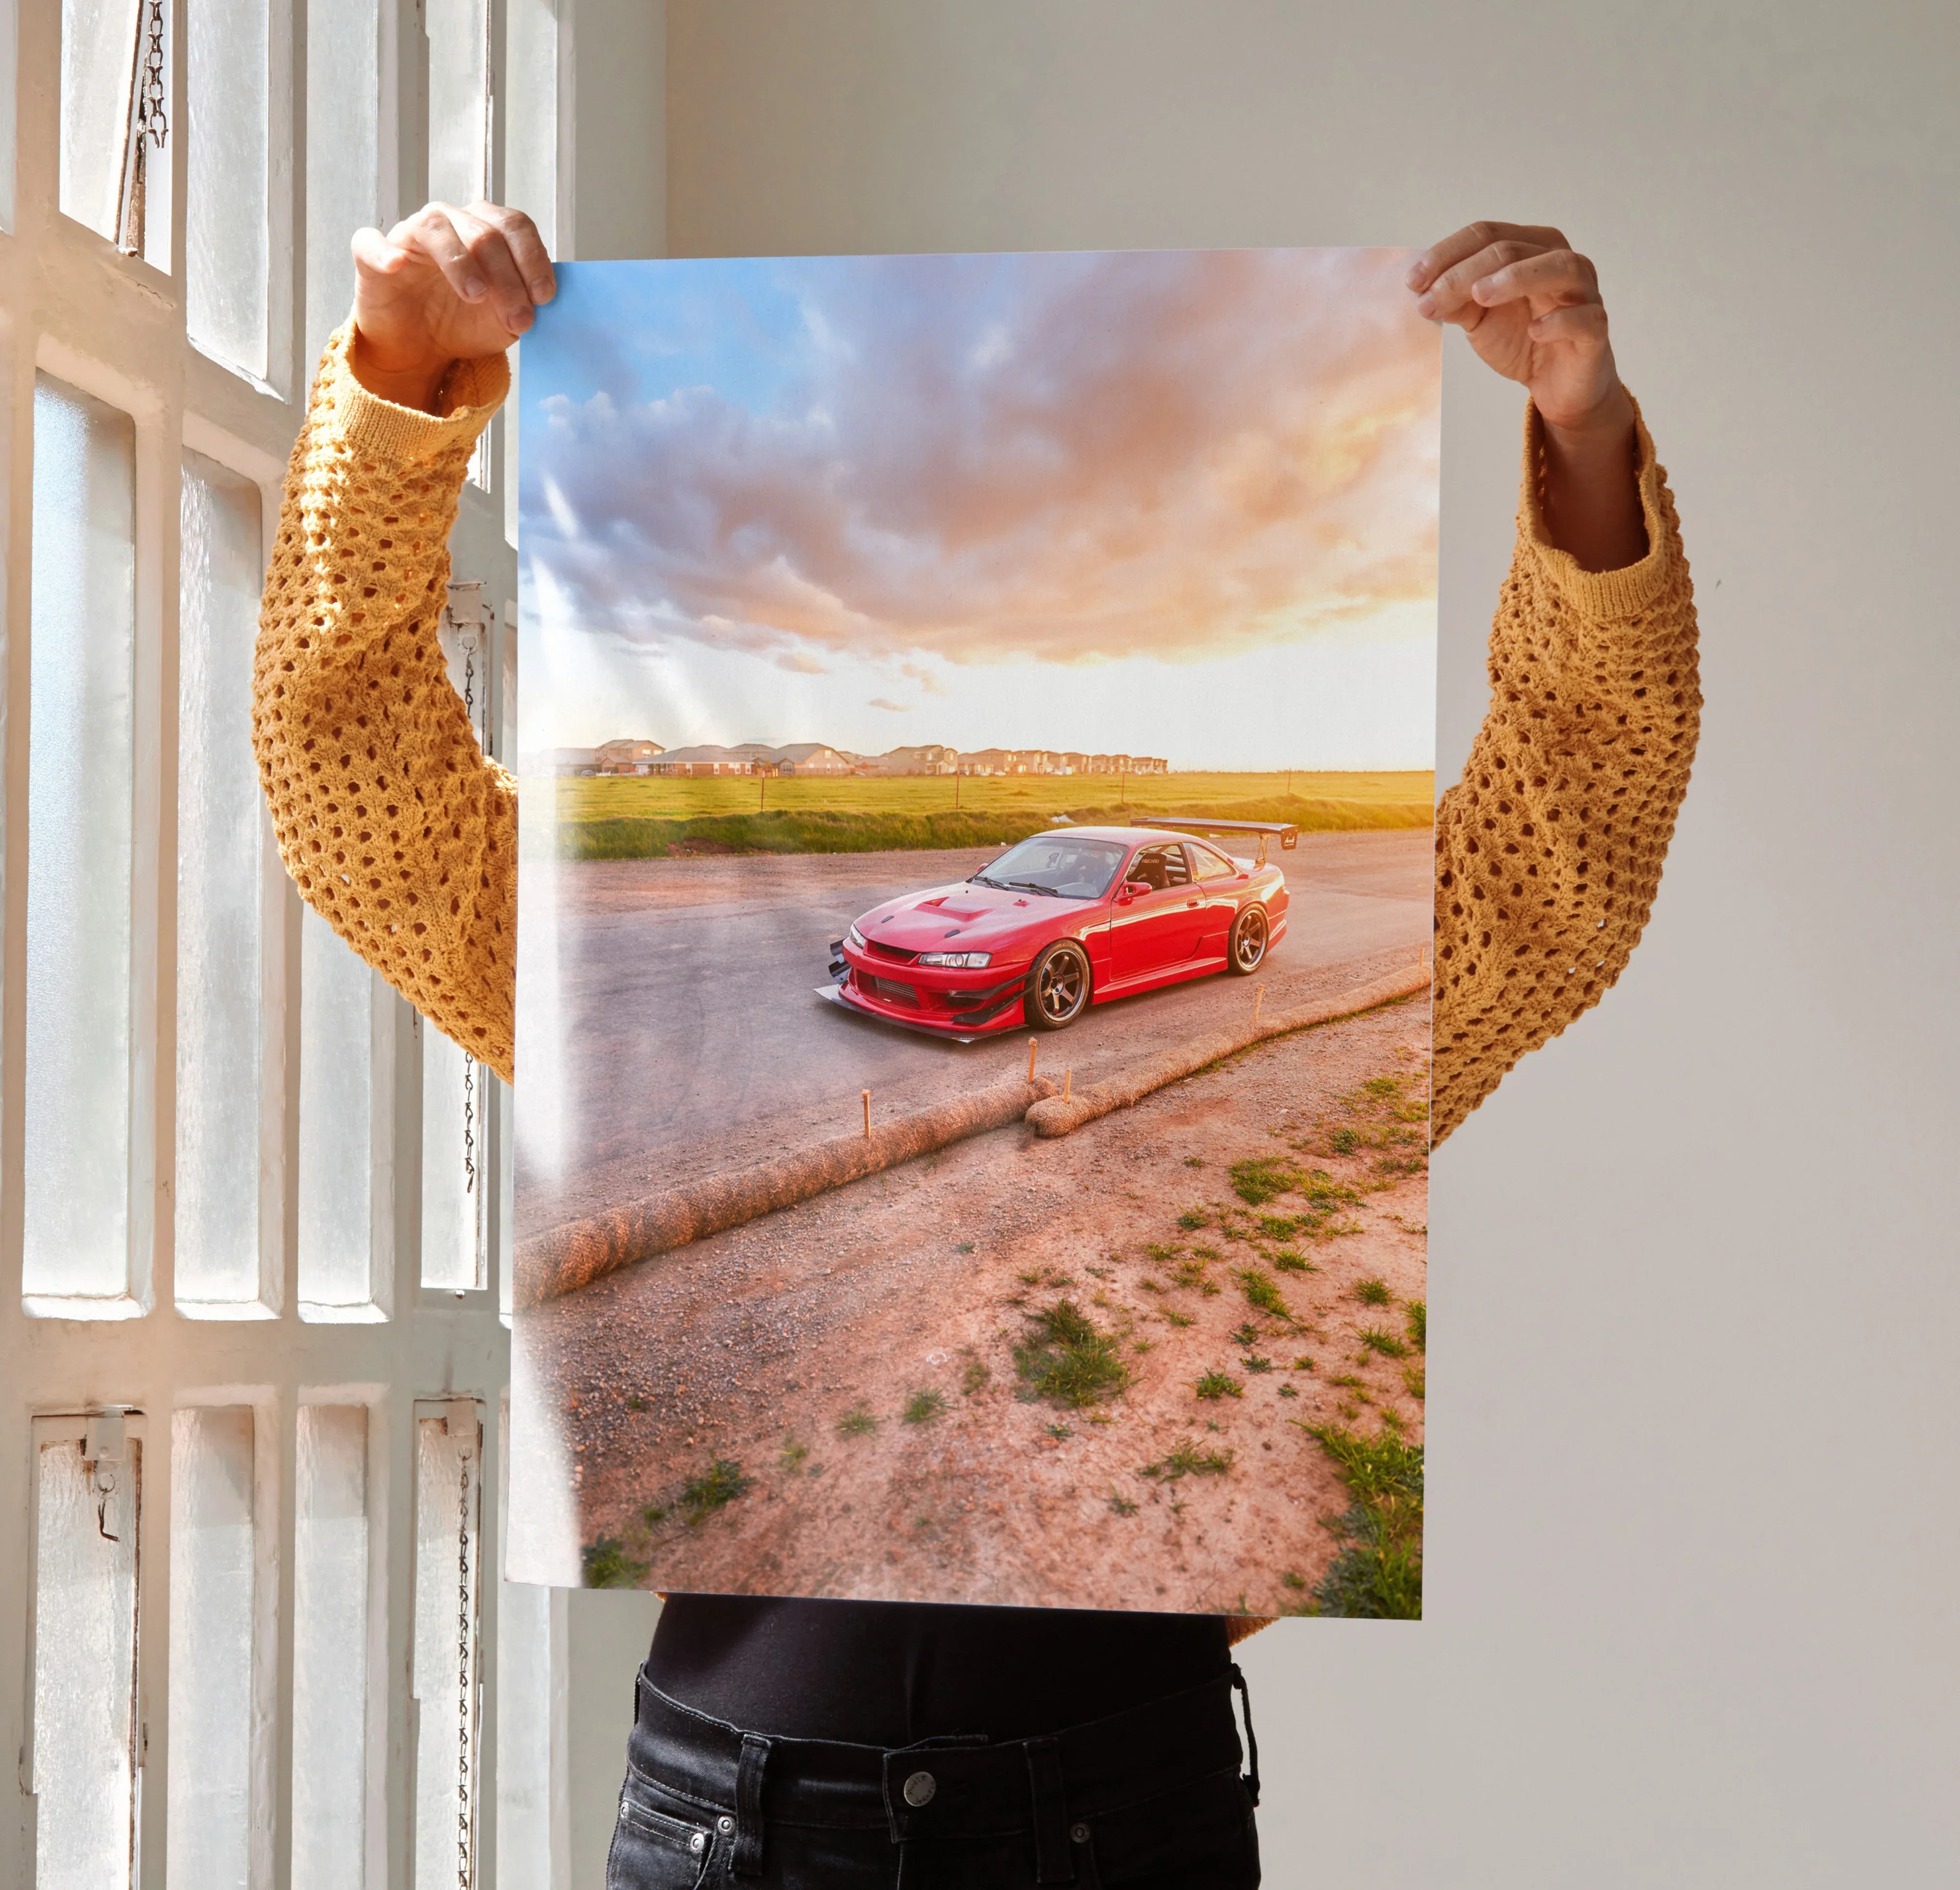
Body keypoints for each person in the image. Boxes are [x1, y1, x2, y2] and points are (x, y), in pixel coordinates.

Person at [253, 204, 1698, 1887]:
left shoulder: (1310, 1014)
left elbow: (1562, 859)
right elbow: (356, 789)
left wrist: (1584, 439)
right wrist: (397, 383)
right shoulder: (632, 964)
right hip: (737, 1829)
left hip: (1120, 1816)